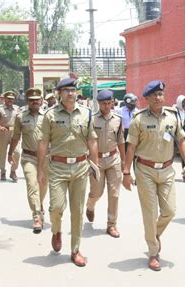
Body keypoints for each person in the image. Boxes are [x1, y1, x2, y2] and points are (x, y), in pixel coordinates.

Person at [122, 80, 185, 271]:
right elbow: (131, 147)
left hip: (167, 170)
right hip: (145, 170)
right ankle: (153, 252)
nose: (158, 98)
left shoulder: (172, 117)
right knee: (150, 213)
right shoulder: (139, 120)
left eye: (161, 94)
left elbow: (181, 140)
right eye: (154, 95)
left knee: (170, 211)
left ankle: (155, 234)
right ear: (147, 99)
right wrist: (127, 172)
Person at [37, 78, 98, 267]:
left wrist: (94, 166)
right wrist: (40, 170)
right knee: (56, 207)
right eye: (66, 91)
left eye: (73, 90)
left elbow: (92, 141)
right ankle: (56, 230)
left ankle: (75, 249)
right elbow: (43, 143)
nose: (70, 93)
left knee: (77, 210)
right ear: (59, 93)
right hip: (57, 167)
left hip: (80, 166)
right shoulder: (49, 115)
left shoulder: (87, 113)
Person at [8, 88, 50, 234]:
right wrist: (10, 152)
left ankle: (40, 205)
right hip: (28, 157)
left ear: (41, 101)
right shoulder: (20, 117)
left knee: (43, 185)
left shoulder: (48, 116)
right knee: (32, 185)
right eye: (31, 100)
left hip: (46, 158)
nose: (35, 102)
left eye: (37, 99)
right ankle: (37, 217)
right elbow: (15, 137)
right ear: (28, 102)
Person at [85, 89, 125, 238]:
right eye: (103, 104)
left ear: (113, 102)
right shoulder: (92, 119)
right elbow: (87, 141)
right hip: (97, 161)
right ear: (98, 104)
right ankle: (90, 205)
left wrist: (125, 162)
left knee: (114, 194)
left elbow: (121, 141)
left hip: (114, 159)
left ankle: (111, 225)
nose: (107, 106)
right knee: (97, 192)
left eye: (109, 103)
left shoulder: (118, 119)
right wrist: (88, 162)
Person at [0, 91, 20, 181]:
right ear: (5, 99)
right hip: (3, 133)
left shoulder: (17, 109)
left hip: (14, 133)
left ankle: (13, 171)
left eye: (12, 99)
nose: (10, 100)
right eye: (8, 98)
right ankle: (3, 171)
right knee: (2, 155)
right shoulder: (0, 109)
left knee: (17, 153)